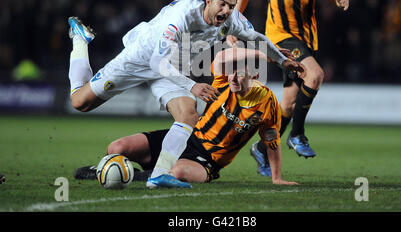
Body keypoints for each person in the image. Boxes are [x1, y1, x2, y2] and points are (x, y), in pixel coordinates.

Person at [67, 0, 305, 188]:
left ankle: (158, 174)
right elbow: (157, 63)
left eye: (231, 6)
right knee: (80, 102)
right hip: (142, 59)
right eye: (222, 4)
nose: (226, 10)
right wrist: (193, 85)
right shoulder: (180, 17)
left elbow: (256, 37)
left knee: (188, 115)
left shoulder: (230, 20)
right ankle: (80, 39)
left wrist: (283, 61)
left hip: (173, 68)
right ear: (207, 0)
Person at [227, 0, 349, 173]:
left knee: (289, 105)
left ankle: (261, 149)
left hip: (306, 40)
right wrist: (234, 25)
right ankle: (298, 136)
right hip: (280, 38)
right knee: (315, 75)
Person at [74, 48, 299, 186]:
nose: (234, 78)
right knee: (117, 147)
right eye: (232, 72)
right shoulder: (223, 82)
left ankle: (117, 175)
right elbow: (222, 57)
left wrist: (276, 178)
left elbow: (271, 140)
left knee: (177, 172)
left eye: (241, 74)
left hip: (208, 160)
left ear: (255, 76)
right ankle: (125, 172)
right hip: (186, 137)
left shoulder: (267, 103)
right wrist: (266, 54)